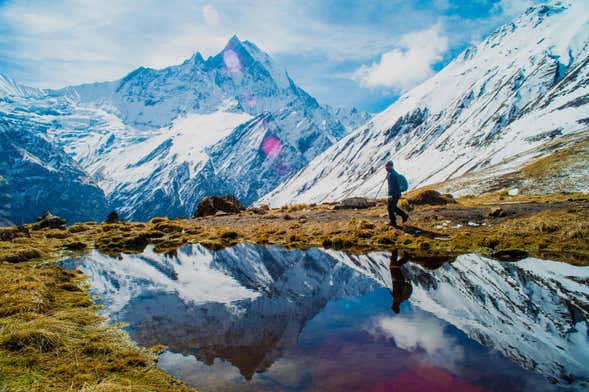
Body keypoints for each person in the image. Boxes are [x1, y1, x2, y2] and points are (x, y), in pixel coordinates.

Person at [385, 161, 409, 227]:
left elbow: (391, 186)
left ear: (390, 166)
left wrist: (390, 195)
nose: (385, 167)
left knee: (389, 207)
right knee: (393, 207)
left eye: (386, 166)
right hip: (397, 193)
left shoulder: (391, 174)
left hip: (393, 194)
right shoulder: (393, 173)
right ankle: (404, 215)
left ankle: (393, 222)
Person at [389, 249, 412, 314]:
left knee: (396, 265)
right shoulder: (396, 298)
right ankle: (394, 248)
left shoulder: (400, 300)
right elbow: (396, 285)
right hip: (396, 277)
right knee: (393, 263)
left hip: (400, 279)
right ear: (394, 306)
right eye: (393, 306)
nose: (392, 305)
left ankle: (406, 257)